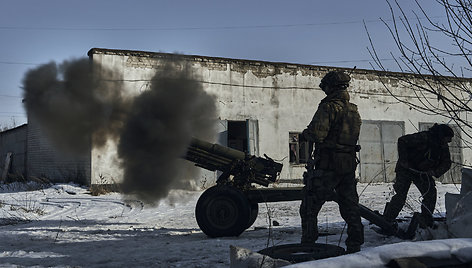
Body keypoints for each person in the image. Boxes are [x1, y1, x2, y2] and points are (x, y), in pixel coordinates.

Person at [300, 70, 363, 253]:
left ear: (331, 87)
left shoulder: (328, 108)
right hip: (348, 164)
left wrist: (306, 134)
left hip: (328, 165)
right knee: (350, 207)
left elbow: (317, 135)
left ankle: (308, 245)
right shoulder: (353, 110)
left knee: (309, 207)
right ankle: (355, 244)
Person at [383, 124, 454, 228]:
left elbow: (446, 163)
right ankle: (387, 221)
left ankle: (425, 221)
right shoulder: (423, 137)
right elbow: (402, 140)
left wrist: (434, 172)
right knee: (400, 196)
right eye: (447, 139)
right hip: (406, 169)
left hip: (422, 173)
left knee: (430, 194)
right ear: (441, 135)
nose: (448, 142)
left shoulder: (442, 146)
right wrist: (404, 160)